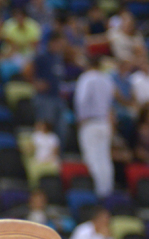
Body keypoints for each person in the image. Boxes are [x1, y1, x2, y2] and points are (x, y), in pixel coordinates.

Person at [73, 54, 115, 198]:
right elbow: (110, 103)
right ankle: (107, 192)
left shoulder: (87, 78)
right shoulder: (107, 79)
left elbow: (82, 99)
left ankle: (97, 194)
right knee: (104, 159)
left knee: (92, 158)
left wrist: (80, 118)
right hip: (104, 123)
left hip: (90, 122)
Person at [24, 31, 68, 142]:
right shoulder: (42, 56)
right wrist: (35, 83)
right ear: (52, 42)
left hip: (57, 97)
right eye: (59, 43)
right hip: (45, 98)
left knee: (62, 130)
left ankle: (57, 156)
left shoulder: (58, 58)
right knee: (46, 128)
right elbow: (26, 70)